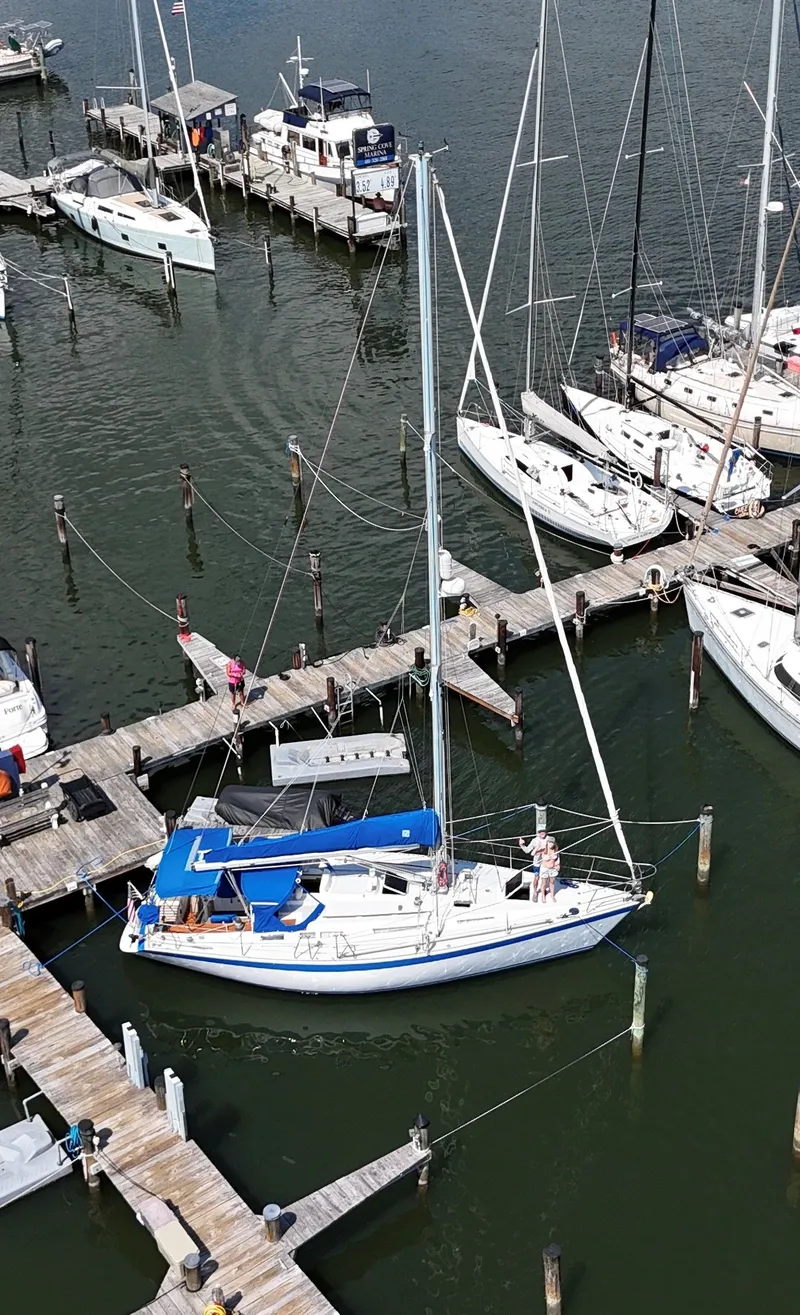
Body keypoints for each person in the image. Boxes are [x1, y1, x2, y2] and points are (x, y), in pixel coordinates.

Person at [539, 835, 561, 903]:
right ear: (547, 842)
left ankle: (552, 895)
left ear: (554, 843)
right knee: (544, 883)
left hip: (553, 869)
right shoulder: (544, 850)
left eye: (552, 842)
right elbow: (540, 858)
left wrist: (558, 865)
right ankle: (543, 895)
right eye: (549, 842)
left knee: (552, 882)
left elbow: (558, 859)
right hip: (545, 869)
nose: (550, 844)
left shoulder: (556, 850)